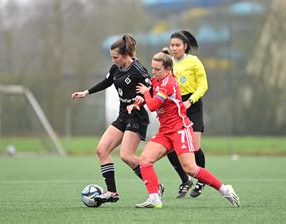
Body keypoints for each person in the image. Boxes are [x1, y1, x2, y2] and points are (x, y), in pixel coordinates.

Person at [127, 50, 240, 208]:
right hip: (165, 131)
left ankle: (225, 189)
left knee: (190, 168)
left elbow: (153, 105)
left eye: (157, 69)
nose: (153, 72)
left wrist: (145, 93)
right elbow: (150, 99)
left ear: (167, 69)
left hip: (180, 129)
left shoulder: (169, 83)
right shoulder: (156, 81)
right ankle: (154, 198)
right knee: (145, 160)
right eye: (152, 68)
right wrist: (137, 103)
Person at [71, 34, 163, 204]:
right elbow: (106, 82)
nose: (113, 60)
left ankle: (155, 186)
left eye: (115, 57)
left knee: (126, 156)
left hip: (137, 116)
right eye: (111, 57)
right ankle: (112, 192)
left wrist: (138, 101)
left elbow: (150, 92)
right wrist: (86, 92)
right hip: (123, 116)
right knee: (102, 150)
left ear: (126, 55)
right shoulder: (115, 69)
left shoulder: (139, 70)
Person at [167, 30, 209, 198]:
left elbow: (203, 85)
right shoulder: (168, 62)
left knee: (194, 146)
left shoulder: (194, 61)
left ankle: (201, 180)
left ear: (185, 46)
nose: (174, 48)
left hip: (192, 105)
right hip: (175, 107)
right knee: (170, 148)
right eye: (172, 45)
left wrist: (190, 101)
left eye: (177, 45)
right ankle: (185, 180)